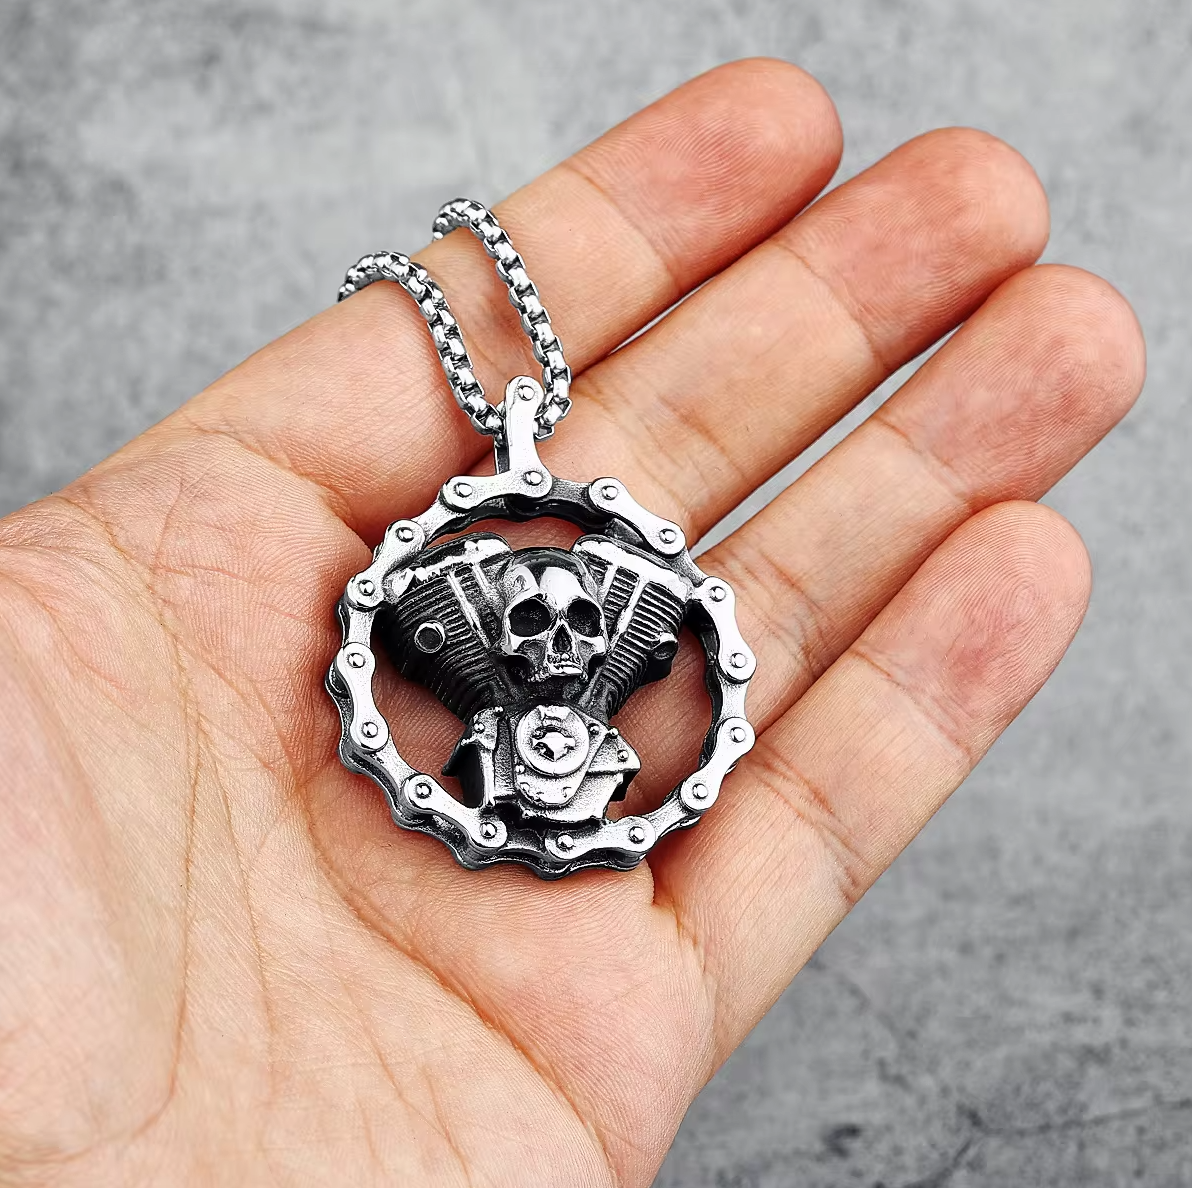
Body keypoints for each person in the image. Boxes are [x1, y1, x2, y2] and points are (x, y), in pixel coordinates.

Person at [0, 59, 1144, 1187]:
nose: (556, 659)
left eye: (578, 630)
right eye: (535, 630)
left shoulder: (614, 684)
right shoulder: (467, 687)